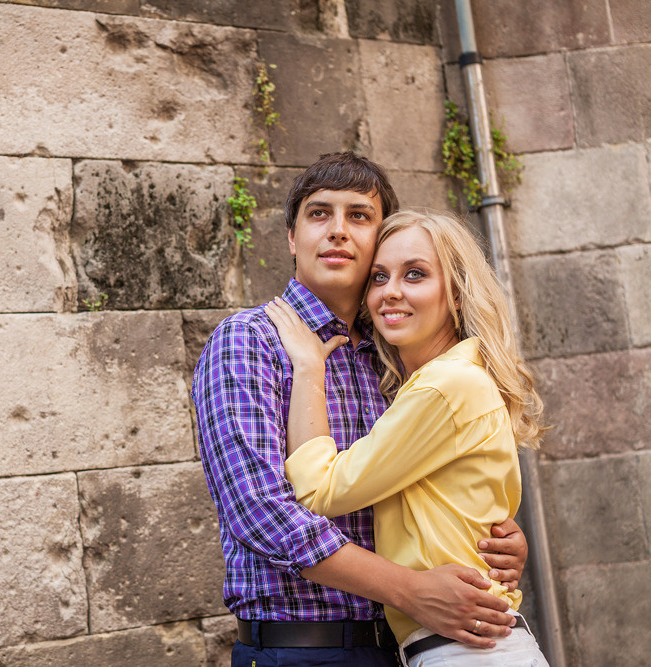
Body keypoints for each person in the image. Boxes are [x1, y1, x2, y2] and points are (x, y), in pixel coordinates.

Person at [192, 152, 527, 666]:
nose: (337, 231)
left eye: (359, 216)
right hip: (304, 648)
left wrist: (490, 539)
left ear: (378, 242)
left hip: (412, 646)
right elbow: (261, 515)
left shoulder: (397, 353)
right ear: (291, 237)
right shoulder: (250, 341)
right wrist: (410, 590)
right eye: (319, 214)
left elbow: (429, 487)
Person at [266, 209, 548, 665]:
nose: (391, 291)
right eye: (379, 277)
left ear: (456, 295)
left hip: (467, 651)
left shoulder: (445, 385)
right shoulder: (445, 379)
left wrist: (309, 369)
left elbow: (320, 490)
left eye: (414, 274)